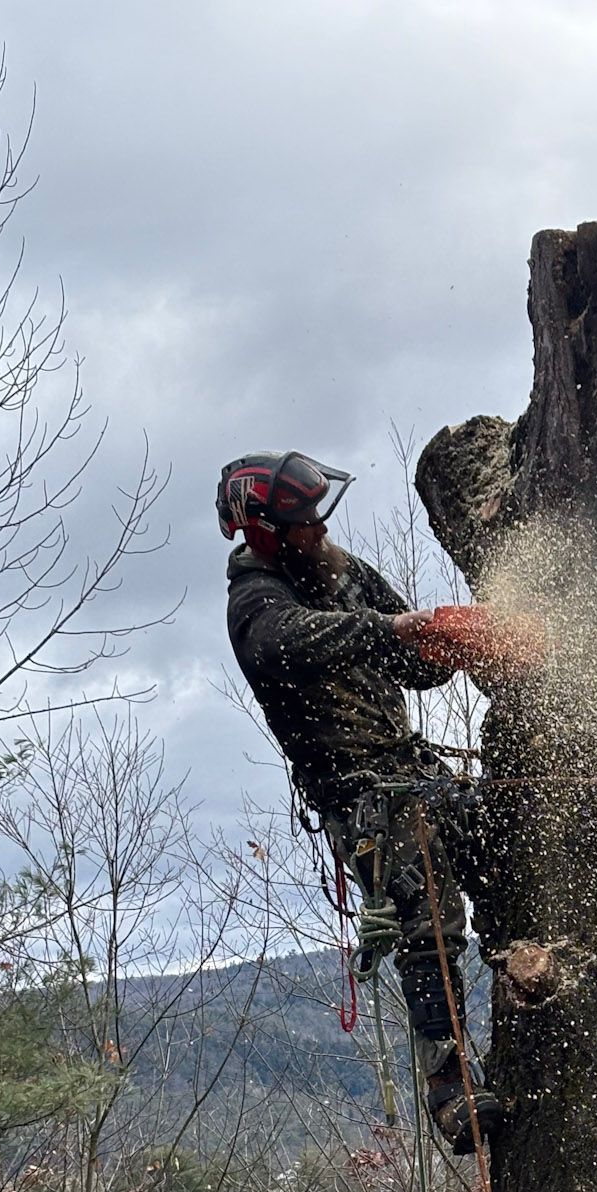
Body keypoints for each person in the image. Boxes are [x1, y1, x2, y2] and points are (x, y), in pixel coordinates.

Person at [218, 449, 501, 1154]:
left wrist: (445, 642)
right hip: (362, 797)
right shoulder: (256, 604)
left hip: (413, 768)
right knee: (425, 912)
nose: (317, 529)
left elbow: (408, 657)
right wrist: (392, 631)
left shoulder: (339, 572)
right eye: (302, 520)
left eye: (317, 514)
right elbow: (289, 645)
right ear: (264, 533)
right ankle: (449, 1081)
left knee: (508, 845)